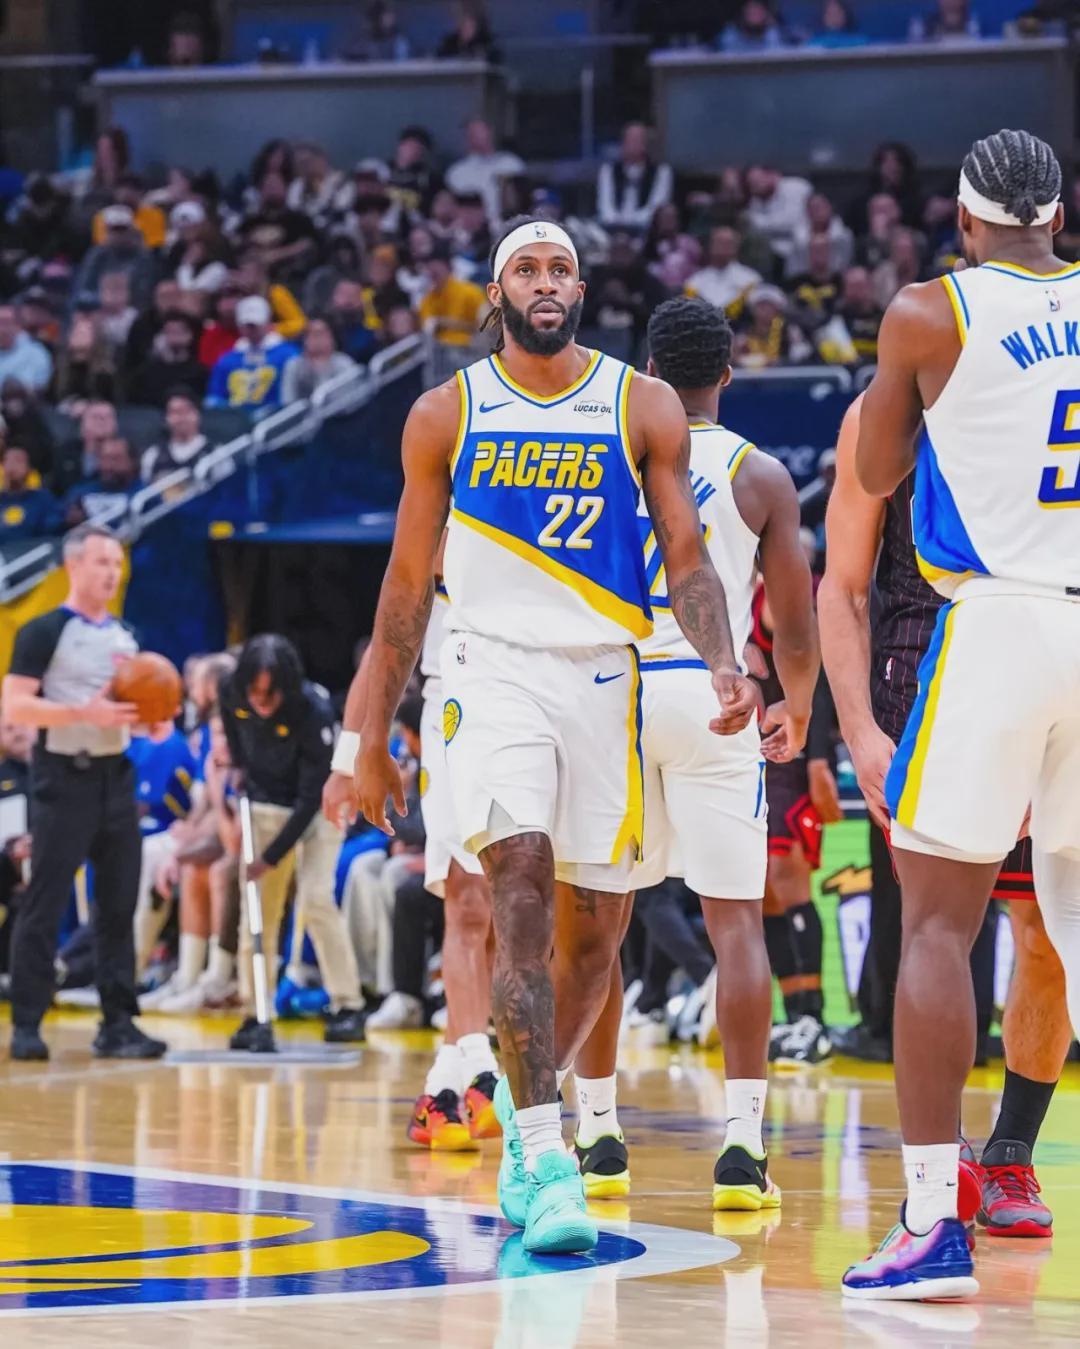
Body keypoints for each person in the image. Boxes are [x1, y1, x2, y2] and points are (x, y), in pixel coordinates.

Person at [349, 214, 757, 1253]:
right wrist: (369, 735)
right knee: (518, 883)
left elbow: (687, 557)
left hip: (606, 673)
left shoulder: (640, 403)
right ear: (498, 294)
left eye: (560, 268)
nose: (544, 281)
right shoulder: (446, 412)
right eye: (525, 268)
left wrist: (722, 658)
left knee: (595, 939)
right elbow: (405, 587)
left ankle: (526, 1111)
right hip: (489, 668)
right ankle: (544, 1148)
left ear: (580, 290)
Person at [841, 129, 1080, 1301]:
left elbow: (877, 469)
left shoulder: (930, 311)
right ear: (1059, 214)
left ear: (967, 220)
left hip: (1000, 619)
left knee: (938, 924)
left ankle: (933, 1221)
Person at [570, 296, 819, 1204]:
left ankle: (598, 1134)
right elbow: (794, 620)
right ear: (727, 374)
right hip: (715, 690)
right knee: (736, 923)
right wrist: (797, 703)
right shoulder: (761, 475)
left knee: (598, 925)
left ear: (645, 372)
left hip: (614, 693)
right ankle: (743, 1149)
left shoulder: (605, 456)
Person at [825, 380, 1071, 1221]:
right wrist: (859, 732)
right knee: (935, 932)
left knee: (1045, 932)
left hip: (1040, 672)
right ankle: (940, 1163)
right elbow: (842, 585)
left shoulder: (1049, 390)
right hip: (919, 680)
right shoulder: (881, 414)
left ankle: (1010, 1154)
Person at [325, 553, 500, 1151]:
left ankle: (442, 1090)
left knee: (508, 913)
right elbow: (383, 646)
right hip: (455, 712)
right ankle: (482, 1070)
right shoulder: (434, 539)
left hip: (539, 701)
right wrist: (346, 760)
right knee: (468, 904)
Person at [1, 523, 167, 1062]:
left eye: (117, 564)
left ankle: (118, 1023)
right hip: (62, 777)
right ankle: (27, 1022)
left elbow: (127, 710)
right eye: (101, 562)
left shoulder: (125, 636)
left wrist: (152, 720)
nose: (112, 573)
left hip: (116, 777)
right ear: (74, 566)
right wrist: (81, 712)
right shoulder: (44, 630)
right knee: (45, 901)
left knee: (118, 906)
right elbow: (14, 706)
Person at [220, 635, 367, 1048]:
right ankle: (255, 1011)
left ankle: (348, 1004)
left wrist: (268, 858)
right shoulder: (231, 692)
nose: (261, 702)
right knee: (256, 913)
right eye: (254, 692)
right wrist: (238, 768)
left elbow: (308, 800)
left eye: (270, 693)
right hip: (265, 804)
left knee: (316, 899)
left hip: (319, 807)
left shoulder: (313, 712)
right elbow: (233, 733)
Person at [749, 582, 840, 1065]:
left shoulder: (775, 593)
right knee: (765, 889)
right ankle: (792, 1013)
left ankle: (815, 1017)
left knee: (789, 878)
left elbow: (813, 675)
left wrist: (819, 760)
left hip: (791, 758)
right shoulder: (726, 594)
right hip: (750, 757)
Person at [205, 296, 299, 411]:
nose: (252, 330)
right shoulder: (227, 360)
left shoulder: (288, 355)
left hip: (276, 417)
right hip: (234, 418)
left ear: (268, 322)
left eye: (255, 325)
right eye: (247, 325)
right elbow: (215, 397)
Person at [445, 119, 525, 227]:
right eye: (474, 133)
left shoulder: (511, 164)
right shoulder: (457, 173)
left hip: (511, 225)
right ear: (467, 137)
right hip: (472, 229)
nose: (479, 136)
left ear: (491, 132)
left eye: (482, 131)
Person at [596, 123, 674, 233]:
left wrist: (630, 224)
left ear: (645, 144)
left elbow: (656, 207)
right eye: (628, 140)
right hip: (611, 229)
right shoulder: (608, 170)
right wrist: (618, 225)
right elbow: (605, 207)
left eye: (636, 140)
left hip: (646, 230)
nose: (631, 144)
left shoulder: (662, 172)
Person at [60, 436, 141, 531]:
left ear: (132, 462)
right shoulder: (79, 493)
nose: (108, 466)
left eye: (115, 459)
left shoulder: (146, 496)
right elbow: (53, 524)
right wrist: (67, 521)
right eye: (103, 459)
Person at [128, 311, 207, 407]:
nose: (175, 336)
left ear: (190, 335)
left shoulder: (200, 372)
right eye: (170, 331)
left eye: (180, 331)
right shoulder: (146, 372)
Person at [417, 242, 488, 346]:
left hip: (471, 348)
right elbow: (427, 329)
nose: (433, 278)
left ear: (449, 268)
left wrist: (443, 322)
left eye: (436, 273)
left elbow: (485, 326)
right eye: (430, 275)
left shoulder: (471, 291)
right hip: (440, 350)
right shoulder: (426, 301)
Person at [684, 227, 762, 316]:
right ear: (711, 246)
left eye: (728, 243)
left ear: (736, 247)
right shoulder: (695, 281)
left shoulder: (751, 279)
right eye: (719, 242)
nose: (723, 247)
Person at [142, 390, 213, 483]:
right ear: (165, 419)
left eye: (187, 410)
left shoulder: (216, 453)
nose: (182, 417)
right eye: (175, 412)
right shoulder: (153, 456)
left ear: (198, 415)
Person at [280, 319, 357, 403]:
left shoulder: (343, 362)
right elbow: (288, 400)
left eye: (323, 334)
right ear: (305, 340)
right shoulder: (294, 365)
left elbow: (353, 395)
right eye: (315, 335)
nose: (319, 340)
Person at [53, 400, 118, 498]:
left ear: (115, 425)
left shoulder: (126, 453)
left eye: (107, 417)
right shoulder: (64, 452)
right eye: (95, 417)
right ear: (82, 424)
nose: (101, 421)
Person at [0, 445, 60, 543]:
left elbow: (52, 531)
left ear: (29, 468)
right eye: (7, 460)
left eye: (18, 460)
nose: (12, 465)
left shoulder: (42, 499)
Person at [0, 305, 53, 393]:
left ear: (18, 325)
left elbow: (36, 388)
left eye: (6, 322)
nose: (2, 328)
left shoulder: (36, 354)